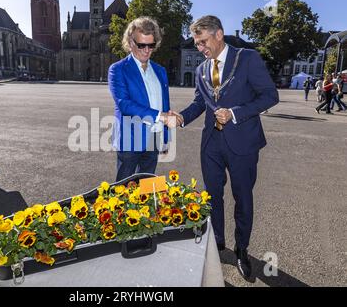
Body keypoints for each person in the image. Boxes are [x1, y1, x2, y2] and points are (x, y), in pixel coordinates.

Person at [165, 16, 279, 280]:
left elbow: (270, 95)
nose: (200, 48)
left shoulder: (247, 58)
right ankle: (217, 242)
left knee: (243, 198)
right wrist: (181, 117)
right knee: (212, 196)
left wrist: (235, 113)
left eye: (203, 41)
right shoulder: (201, 70)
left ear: (219, 35)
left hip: (243, 142)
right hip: (211, 144)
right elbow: (199, 103)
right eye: (196, 44)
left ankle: (241, 249)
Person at [108, 17, 171, 182]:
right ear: (130, 42)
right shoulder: (118, 69)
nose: (146, 50)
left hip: (154, 139)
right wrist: (159, 116)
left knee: (147, 188)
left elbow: (165, 104)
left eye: (151, 45)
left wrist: (165, 137)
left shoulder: (160, 71)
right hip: (130, 139)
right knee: (123, 191)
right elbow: (124, 104)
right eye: (141, 45)